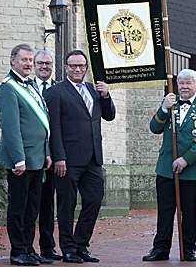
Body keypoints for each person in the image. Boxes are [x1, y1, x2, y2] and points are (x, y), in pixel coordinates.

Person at [45, 50, 116, 263]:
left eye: (81, 66)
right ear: (66, 67)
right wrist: (59, 157)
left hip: (93, 159)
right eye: (73, 66)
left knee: (94, 200)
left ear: (86, 68)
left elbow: (109, 115)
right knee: (66, 206)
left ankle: (81, 244)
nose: (77, 69)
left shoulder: (94, 90)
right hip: (68, 160)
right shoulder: (56, 92)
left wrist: (106, 96)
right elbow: (54, 127)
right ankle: (67, 248)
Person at [142, 69, 196, 262]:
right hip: (166, 168)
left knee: (189, 212)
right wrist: (164, 108)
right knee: (165, 211)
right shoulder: (170, 104)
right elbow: (154, 128)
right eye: (181, 83)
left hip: (192, 170)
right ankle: (160, 249)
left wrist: (186, 159)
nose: (184, 86)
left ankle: (188, 248)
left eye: (188, 83)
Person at [0, 43, 53, 266]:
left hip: (38, 158)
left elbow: (42, 124)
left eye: (30, 60)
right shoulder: (8, 88)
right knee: (18, 209)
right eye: (24, 60)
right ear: (12, 61)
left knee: (32, 209)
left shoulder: (31, 86)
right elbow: (11, 128)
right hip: (21, 161)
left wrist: (47, 153)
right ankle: (17, 251)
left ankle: (29, 249)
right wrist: (19, 159)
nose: (29, 64)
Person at [32, 50, 61, 261]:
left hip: (56, 155)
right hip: (34, 155)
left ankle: (48, 246)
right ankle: (27, 247)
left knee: (48, 205)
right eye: (40, 63)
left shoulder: (59, 89)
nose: (44, 67)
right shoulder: (27, 88)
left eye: (48, 63)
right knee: (32, 203)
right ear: (34, 65)